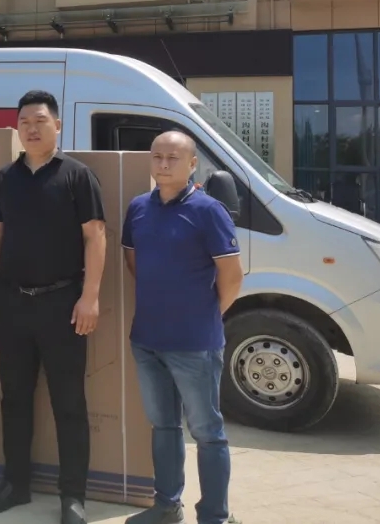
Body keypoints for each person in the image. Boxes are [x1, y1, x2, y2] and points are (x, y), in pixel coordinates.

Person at [0, 90, 107, 524]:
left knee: (68, 402)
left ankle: (73, 496)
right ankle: (15, 484)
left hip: (63, 304)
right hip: (12, 303)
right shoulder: (5, 178)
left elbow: (95, 235)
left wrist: (90, 297)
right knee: (14, 398)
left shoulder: (77, 176)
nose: (31, 129)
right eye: (25, 122)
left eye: (40, 121)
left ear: (57, 126)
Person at [121, 131, 244, 524]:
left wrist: (204, 315)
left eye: (172, 158)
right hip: (147, 339)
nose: (163, 164)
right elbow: (134, 263)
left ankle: (214, 516)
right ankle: (166, 506)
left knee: (207, 432)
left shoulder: (209, 211)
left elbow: (232, 277)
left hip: (195, 344)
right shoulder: (138, 208)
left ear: (192, 164)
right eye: (157, 156)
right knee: (163, 427)